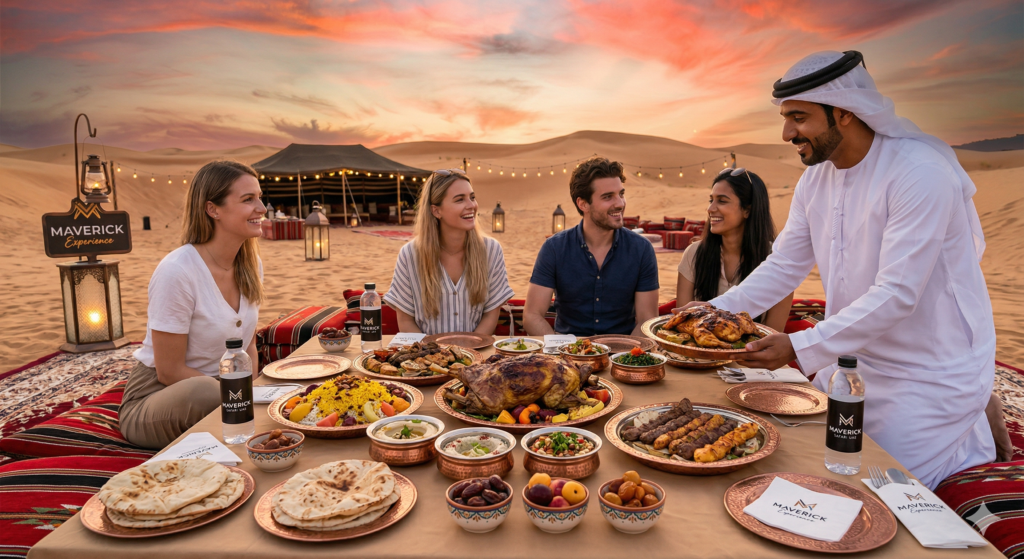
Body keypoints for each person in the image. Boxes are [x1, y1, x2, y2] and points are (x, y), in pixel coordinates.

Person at [678, 50, 998, 487]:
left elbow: (898, 293)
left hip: (925, 374)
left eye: (799, 117)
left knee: (879, 489)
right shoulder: (816, 179)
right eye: (786, 117)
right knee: (808, 468)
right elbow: (784, 266)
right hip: (850, 361)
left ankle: (971, 429)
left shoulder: (919, 173)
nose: (787, 132)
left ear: (845, 113)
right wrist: (707, 313)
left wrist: (798, 346)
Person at [120, 161, 265, 449]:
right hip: (160, 397)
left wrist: (253, 392)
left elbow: (247, 345)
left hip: (225, 393)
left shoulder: (250, 264)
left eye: (260, 197)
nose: (261, 208)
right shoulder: (178, 270)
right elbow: (169, 371)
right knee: (206, 392)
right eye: (248, 200)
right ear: (213, 210)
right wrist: (242, 398)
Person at [525, 157, 659, 336]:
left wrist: (624, 358)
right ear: (583, 204)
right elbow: (532, 315)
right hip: (567, 356)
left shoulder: (641, 250)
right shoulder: (554, 249)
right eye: (607, 197)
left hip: (621, 355)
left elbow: (646, 320)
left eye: (621, 194)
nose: (619, 203)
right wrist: (558, 352)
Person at [383, 169, 514, 335]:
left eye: (472, 197)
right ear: (436, 211)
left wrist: (469, 353)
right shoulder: (410, 254)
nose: (471, 206)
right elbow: (405, 321)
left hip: (478, 353)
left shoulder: (491, 250)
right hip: (425, 357)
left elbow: (490, 316)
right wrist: (433, 357)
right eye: (460, 200)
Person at [676, 167, 793, 333]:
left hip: (754, 355)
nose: (710, 209)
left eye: (722, 201)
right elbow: (683, 325)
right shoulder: (693, 254)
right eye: (711, 201)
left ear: (747, 210)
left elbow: (771, 335)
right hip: (699, 354)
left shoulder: (776, 261)